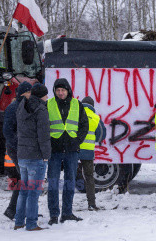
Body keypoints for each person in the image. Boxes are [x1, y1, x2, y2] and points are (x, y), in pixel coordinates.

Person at [47, 78, 89, 225]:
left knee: (70, 182)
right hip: (54, 150)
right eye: (58, 90)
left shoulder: (77, 104)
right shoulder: (49, 104)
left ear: (68, 91)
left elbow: (84, 125)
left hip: (71, 150)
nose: (60, 93)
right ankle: (53, 215)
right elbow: (44, 126)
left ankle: (66, 213)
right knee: (52, 183)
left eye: (63, 90)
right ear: (54, 91)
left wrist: (77, 141)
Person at [14, 83, 51, 231]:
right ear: (42, 95)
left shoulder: (21, 106)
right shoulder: (41, 110)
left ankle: (19, 222)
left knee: (23, 191)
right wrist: (46, 155)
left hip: (22, 155)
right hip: (35, 156)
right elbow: (43, 136)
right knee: (33, 193)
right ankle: (31, 223)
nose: (48, 98)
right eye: (46, 95)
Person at [2, 81, 32, 220]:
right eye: (29, 92)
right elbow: (7, 131)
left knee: (23, 179)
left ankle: (14, 209)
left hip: (21, 148)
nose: (31, 94)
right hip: (17, 149)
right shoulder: (14, 107)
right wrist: (19, 144)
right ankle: (14, 209)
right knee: (24, 179)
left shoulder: (23, 106)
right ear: (23, 93)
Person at [79, 96, 106, 211]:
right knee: (89, 177)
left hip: (73, 151)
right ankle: (91, 204)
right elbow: (101, 136)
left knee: (69, 177)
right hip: (88, 153)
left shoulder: (75, 114)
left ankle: (67, 205)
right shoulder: (95, 118)